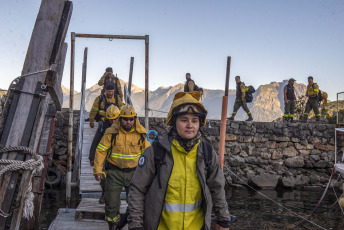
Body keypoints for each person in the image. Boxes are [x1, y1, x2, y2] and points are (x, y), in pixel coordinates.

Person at [127, 91, 232, 230]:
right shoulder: (156, 152)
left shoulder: (207, 153)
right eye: (184, 120)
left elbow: (217, 187)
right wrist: (135, 225)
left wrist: (223, 218)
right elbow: (137, 189)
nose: (190, 125)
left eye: (194, 120)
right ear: (174, 121)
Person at [93, 105, 150, 230]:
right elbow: (101, 150)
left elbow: (148, 155)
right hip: (114, 173)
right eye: (125, 119)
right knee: (111, 204)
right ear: (120, 119)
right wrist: (98, 169)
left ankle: (132, 225)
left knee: (136, 204)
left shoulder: (142, 133)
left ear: (135, 118)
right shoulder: (111, 132)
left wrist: (149, 175)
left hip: (135, 174)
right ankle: (112, 226)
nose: (128, 122)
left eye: (131, 119)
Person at [89, 104, 120, 204]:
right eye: (111, 120)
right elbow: (96, 141)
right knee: (103, 174)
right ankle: (104, 191)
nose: (113, 122)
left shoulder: (123, 125)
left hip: (118, 154)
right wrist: (92, 157)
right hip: (105, 154)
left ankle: (113, 196)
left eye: (115, 119)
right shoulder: (103, 126)